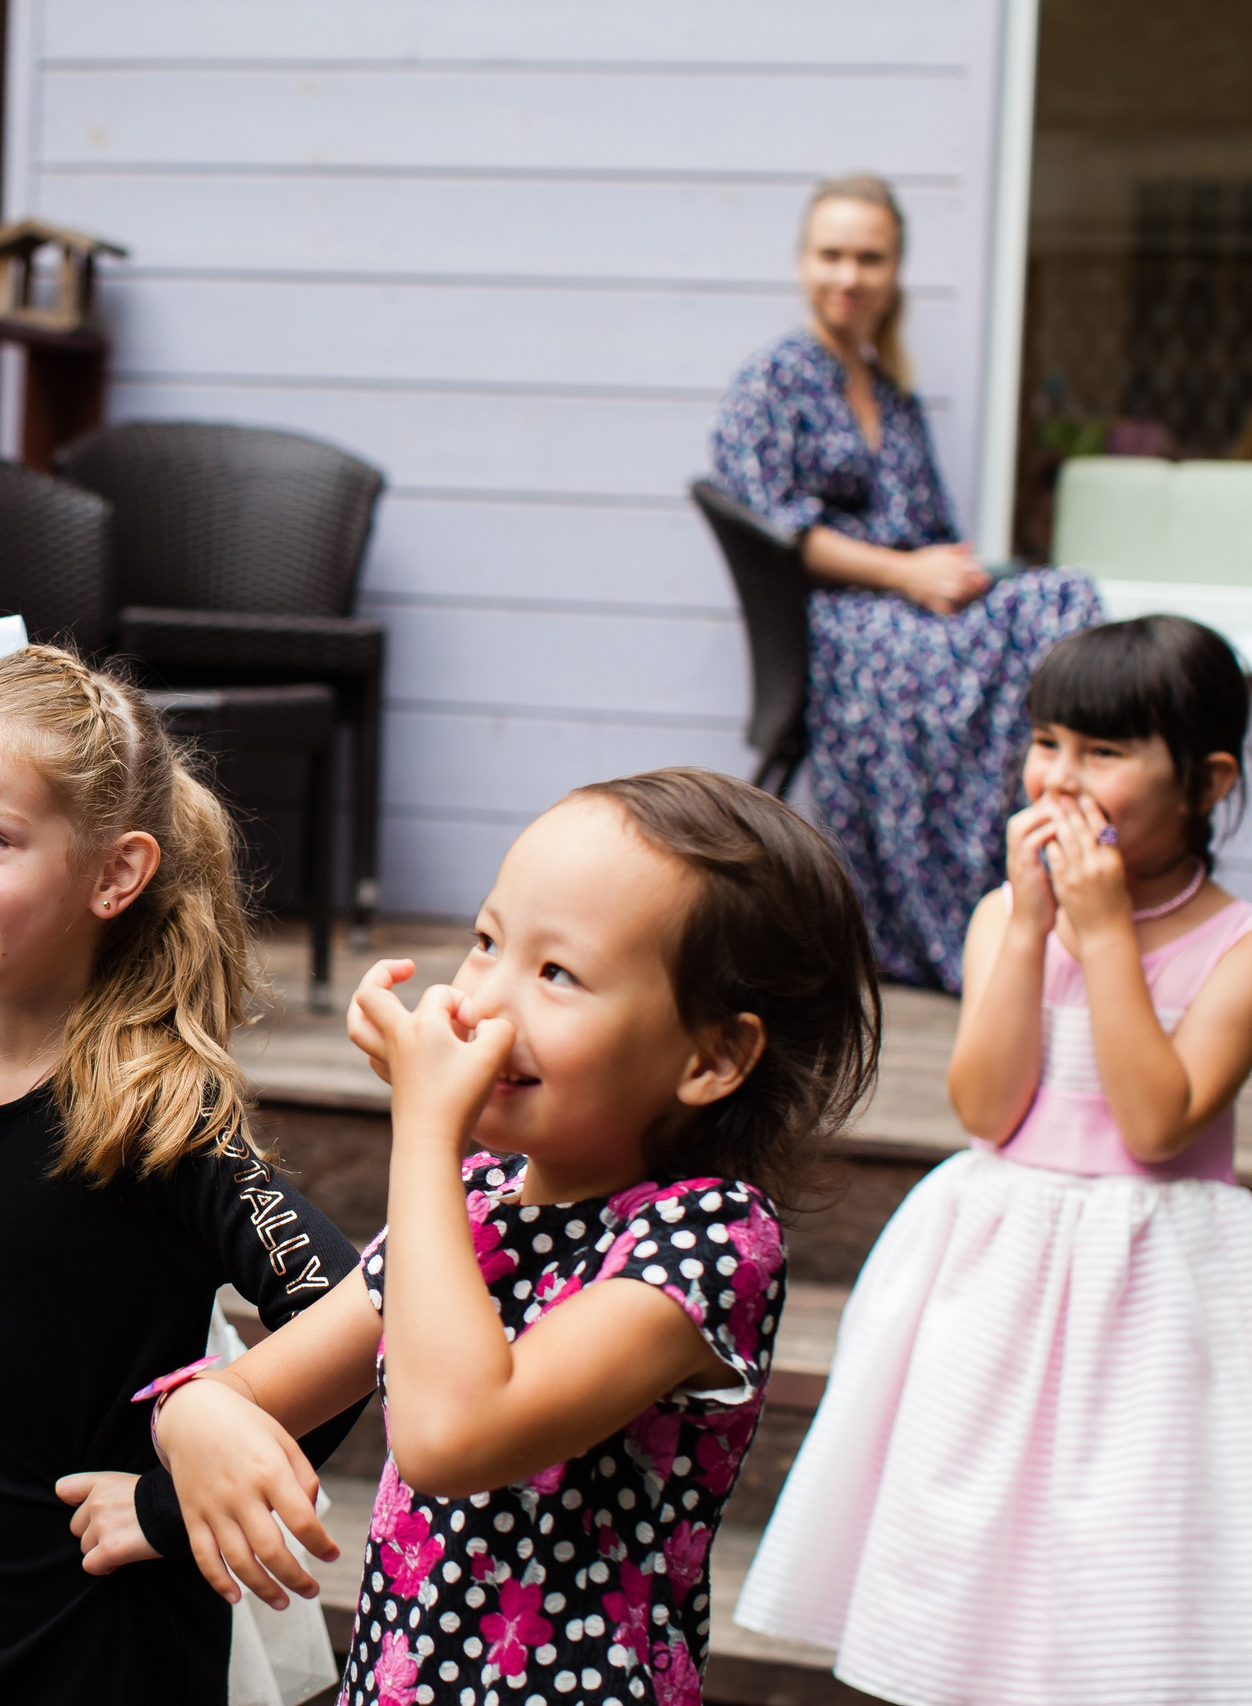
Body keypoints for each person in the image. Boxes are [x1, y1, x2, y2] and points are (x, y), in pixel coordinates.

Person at [122, 769, 880, 1706]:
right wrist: (194, 1417)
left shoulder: (707, 1242)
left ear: (712, 1057)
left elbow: (453, 1436)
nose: (482, 999)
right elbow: (255, 1391)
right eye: (487, 942)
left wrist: (425, 1129)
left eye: (557, 973)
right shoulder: (474, 1201)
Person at [737, 616, 1252, 1706]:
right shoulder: (1002, 921)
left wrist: (1101, 936)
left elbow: (1157, 1123)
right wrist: (1028, 931)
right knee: (970, 1506)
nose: (1060, 777)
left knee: (1129, 1526)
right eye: (1047, 742)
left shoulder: (1237, 949)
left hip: (1156, 1279)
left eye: (1104, 752)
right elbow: (986, 1108)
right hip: (998, 1263)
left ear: (1207, 782)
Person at [0, 641, 364, 1706]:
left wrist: (170, 1504)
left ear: (115, 874)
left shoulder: (155, 1112)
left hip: (118, 1612)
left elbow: (354, 1306)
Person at [711, 171, 1102, 993]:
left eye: (870, 258)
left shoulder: (891, 392)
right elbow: (773, 524)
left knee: (1061, 598)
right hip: (839, 623)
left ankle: (1034, 875)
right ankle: (956, 917)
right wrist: (904, 573)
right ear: (802, 262)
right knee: (1004, 641)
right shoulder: (773, 380)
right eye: (832, 255)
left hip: (915, 603)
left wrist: (958, 575)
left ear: (895, 271)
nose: (849, 276)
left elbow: (931, 530)